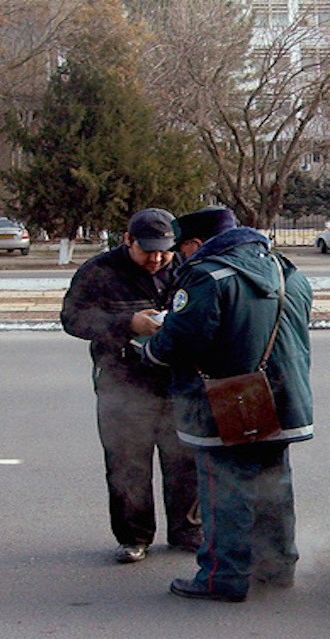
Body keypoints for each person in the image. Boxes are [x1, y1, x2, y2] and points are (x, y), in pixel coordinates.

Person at [142, 207, 314, 602]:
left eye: (180, 248)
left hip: (228, 402)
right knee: (274, 486)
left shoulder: (206, 275)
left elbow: (182, 340)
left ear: (196, 244)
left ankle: (223, 577)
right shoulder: (287, 270)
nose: (179, 258)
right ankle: (277, 568)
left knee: (225, 490)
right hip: (285, 400)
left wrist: (151, 348)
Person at [60, 209, 201, 563]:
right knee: (127, 465)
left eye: (164, 251)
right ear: (128, 241)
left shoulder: (186, 270)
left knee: (184, 461)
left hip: (176, 383)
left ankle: (187, 531)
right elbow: (72, 318)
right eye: (147, 251)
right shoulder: (99, 271)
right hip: (122, 384)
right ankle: (134, 537)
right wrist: (128, 323)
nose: (156, 259)